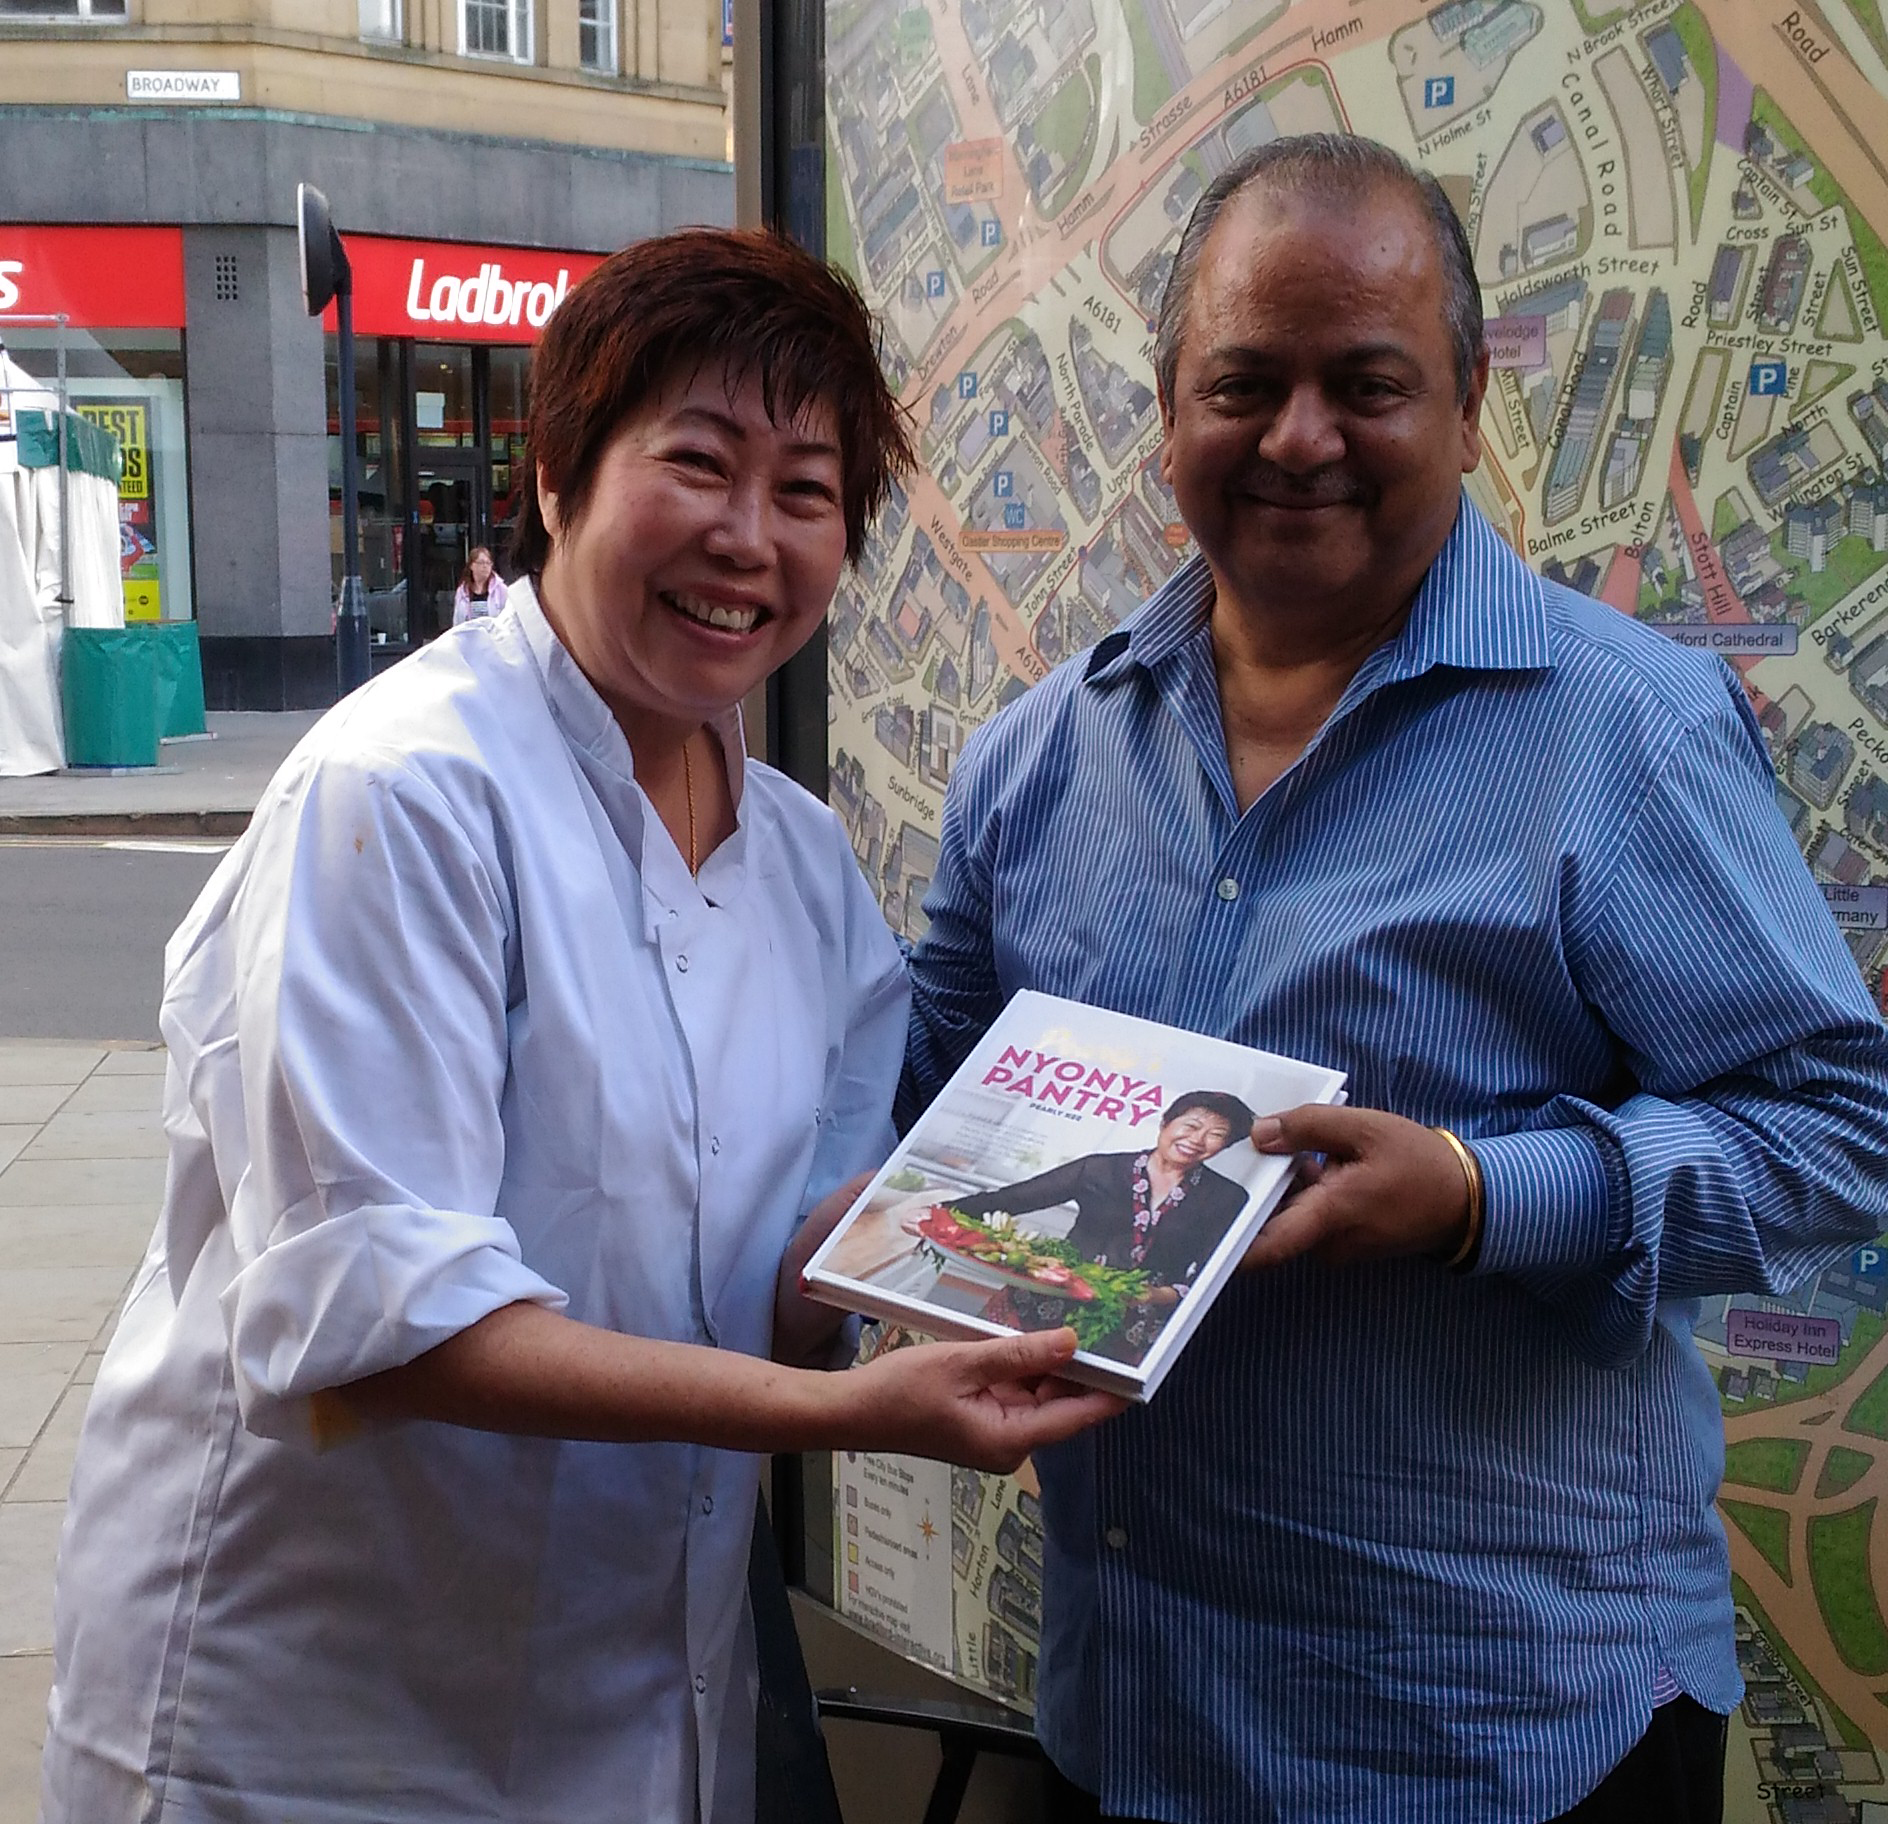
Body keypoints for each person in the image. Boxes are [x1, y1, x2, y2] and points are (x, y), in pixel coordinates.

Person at [39, 228, 1120, 1824]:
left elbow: (784, 1269)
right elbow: (391, 1320)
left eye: (807, 491)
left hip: (634, 1694)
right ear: (555, 475)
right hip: (324, 1724)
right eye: (699, 463)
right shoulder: (408, 795)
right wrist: (838, 1415)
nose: (748, 537)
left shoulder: (803, 862)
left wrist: (1003, 1219)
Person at [901, 133, 1888, 1824]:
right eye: (1243, 384)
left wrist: (1481, 1195)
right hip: (1129, 1716)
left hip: (1493, 1741)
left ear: (1466, 409)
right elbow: (922, 1117)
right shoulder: (1030, 761)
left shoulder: (1625, 732)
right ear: (1166, 412)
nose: (1300, 438)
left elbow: (1845, 1130)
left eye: (1366, 384)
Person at [451, 542, 507, 623]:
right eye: (481, 562)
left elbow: (507, 619)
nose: (485, 566)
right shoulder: (462, 591)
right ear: (471, 566)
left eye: (488, 563)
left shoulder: (501, 589)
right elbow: (457, 621)